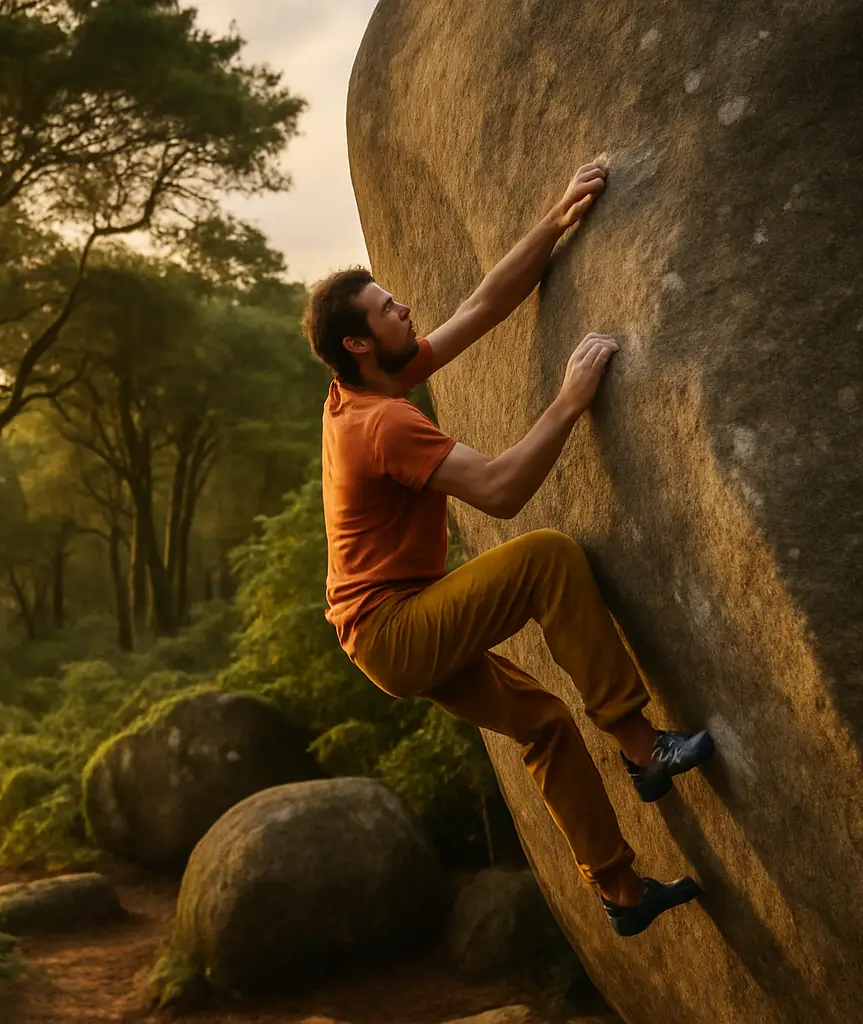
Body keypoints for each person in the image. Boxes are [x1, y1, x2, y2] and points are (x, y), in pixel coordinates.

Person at [304, 162, 713, 938]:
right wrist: (570, 399)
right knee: (546, 557)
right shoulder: (381, 424)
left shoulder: (366, 386)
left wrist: (558, 218)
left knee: (545, 727)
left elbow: (484, 304)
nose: (407, 309)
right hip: (396, 626)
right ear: (359, 341)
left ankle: (621, 892)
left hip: (386, 634)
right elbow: (498, 491)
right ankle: (640, 744)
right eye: (389, 309)